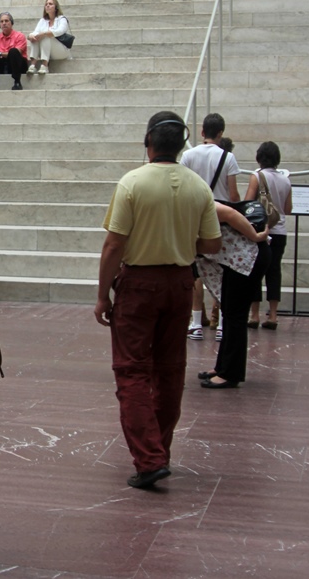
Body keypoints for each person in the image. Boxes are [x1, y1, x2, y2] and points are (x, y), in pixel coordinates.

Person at [94, 112, 221, 489]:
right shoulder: (198, 187)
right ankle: (159, 451)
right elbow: (212, 244)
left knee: (131, 370)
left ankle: (148, 459)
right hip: (180, 283)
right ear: (182, 146)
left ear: (147, 142)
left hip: (138, 284)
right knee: (170, 370)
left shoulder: (132, 182)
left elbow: (114, 243)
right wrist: (180, 240)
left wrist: (102, 296)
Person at [195, 201, 270, 389]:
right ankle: (222, 367)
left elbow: (228, 213)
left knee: (235, 315)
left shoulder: (195, 199)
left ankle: (231, 374)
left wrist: (254, 235)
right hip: (235, 259)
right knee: (229, 312)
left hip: (248, 256)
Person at [180, 113, 240, 340]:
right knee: (223, 271)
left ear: (202, 132)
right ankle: (222, 322)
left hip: (195, 217)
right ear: (221, 133)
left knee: (196, 271)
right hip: (221, 218)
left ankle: (195, 323)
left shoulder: (188, 155)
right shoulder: (228, 157)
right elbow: (233, 195)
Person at [245, 142, 292, 329]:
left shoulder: (257, 176)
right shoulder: (285, 180)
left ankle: (254, 314)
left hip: (260, 231)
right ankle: (273, 315)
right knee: (274, 272)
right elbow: (288, 209)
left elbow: (248, 202)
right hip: (279, 231)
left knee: (255, 272)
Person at [0, 12, 28, 91]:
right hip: (3, 65)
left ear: (11, 23)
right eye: (1, 21)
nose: (4, 23)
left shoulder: (20, 36)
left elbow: (17, 52)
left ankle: (17, 81)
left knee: (13, 51)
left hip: (19, 64)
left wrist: (0, 53)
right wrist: (1, 55)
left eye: (6, 21)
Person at [27, 0, 71, 75]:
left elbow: (60, 31)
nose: (47, 5)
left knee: (46, 36)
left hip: (61, 50)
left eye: (50, 4)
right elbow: (35, 32)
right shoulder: (43, 20)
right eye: (46, 4)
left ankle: (44, 66)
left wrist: (44, 33)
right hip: (47, 50)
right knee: (35, 38)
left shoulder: (62, 19)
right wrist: (30, 36)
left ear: (56, 7)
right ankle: (33, 65)